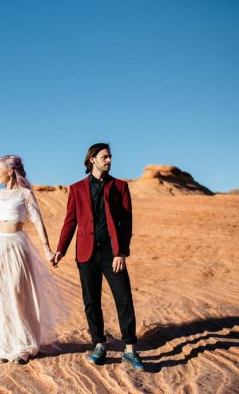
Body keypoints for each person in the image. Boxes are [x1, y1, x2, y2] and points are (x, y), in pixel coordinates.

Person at [52, 143, 144, 371]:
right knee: (91, 302)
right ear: (92, 159)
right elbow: (70, 222)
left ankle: (130, 349)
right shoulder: (76, 189)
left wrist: (121, 251)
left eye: (110, 157)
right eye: (105, 157)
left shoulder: (120, 186)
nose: (109, 160)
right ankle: (99, 345)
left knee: (124, 299)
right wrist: (60, 250)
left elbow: (126, 223)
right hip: (86, 253)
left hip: (112, 254)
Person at [0, 155, 67, 365]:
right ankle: (5, 346)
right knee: (0, 295)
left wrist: (46, 248)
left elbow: (36, 219)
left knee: (17, 292)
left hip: (17, 247)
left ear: (10, 171)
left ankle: (24, 345)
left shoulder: (25, 194)